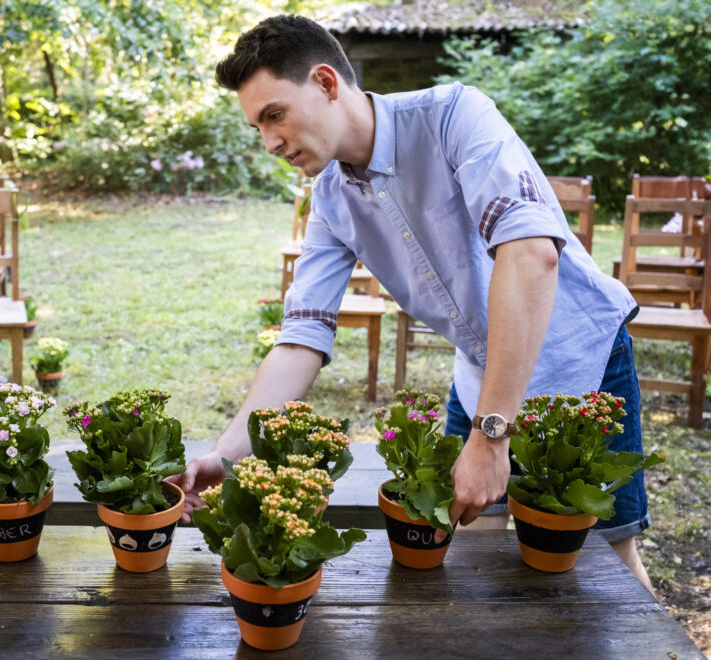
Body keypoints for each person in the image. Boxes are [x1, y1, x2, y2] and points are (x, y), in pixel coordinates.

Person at [167, 14, 655, 589]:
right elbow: (300, 339)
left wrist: (489, 435)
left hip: (582, 359)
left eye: (275, 115)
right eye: (258, 127)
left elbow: (532, 255)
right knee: (469, 560)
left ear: (326, 83)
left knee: (606, 570)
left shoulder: (454, 116)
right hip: (480, 373)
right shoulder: (328, 200)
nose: (270, 142)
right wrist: (225, 456)